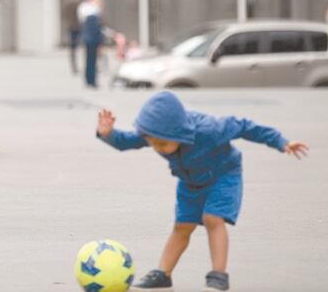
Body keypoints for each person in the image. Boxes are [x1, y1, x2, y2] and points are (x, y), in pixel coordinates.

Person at [95, 91, 308, 292]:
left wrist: (281, 142)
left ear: (177, 132)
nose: (158, 148)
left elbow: (245, 126)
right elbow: (126, 142)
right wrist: (107, 134)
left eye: (162, 144)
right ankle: (163, 276)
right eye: (153, 143)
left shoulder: (210, 129)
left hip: (223, 174)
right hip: (189, 181)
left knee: (212, 218)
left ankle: (218, 277)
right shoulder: (156, 133)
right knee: (182, 226)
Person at [78, 0, 120, 88]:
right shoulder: (94, 14)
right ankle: (92, 81)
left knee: (89, 60)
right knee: (92, 61)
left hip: (87, 39)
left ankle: (89, 81)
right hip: (93, 40)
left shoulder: (84, 11)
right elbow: (100, 28)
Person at [63, 0, 90, 75]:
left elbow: (65, 14)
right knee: (78, 47)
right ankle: (78, 67)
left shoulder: (71, 1)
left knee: (74, 48)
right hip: (77, 27)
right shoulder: (80, 2)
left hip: (73, 27)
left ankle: (75, 67)